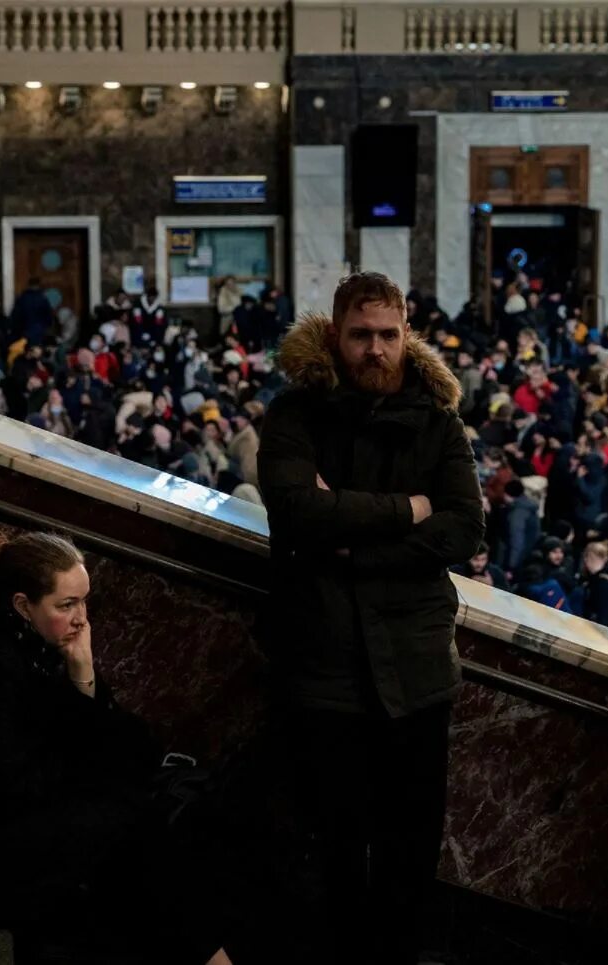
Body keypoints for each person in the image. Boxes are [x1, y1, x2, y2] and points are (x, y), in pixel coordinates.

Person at [0, 531, 236, 964]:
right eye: (67, 604)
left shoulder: (34, 639)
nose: (81, 619)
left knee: (137, 838)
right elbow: (7, 785)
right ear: (22, 604)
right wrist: (91, 779)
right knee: (125, 833)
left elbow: (128, 744)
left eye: (84, 602)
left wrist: (83, 673)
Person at [258, 272, 483, 964]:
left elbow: (465, 530)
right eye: (362, 335)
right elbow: (296, 510)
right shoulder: (296, 416)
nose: (376, 350)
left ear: (407, 333)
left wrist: (349, 542)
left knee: (410, 849)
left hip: (416, 670)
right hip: (322, 665)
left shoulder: (439, 423)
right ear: (335, 335)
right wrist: (406, 510)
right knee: (330, 845)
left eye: (389, 334)